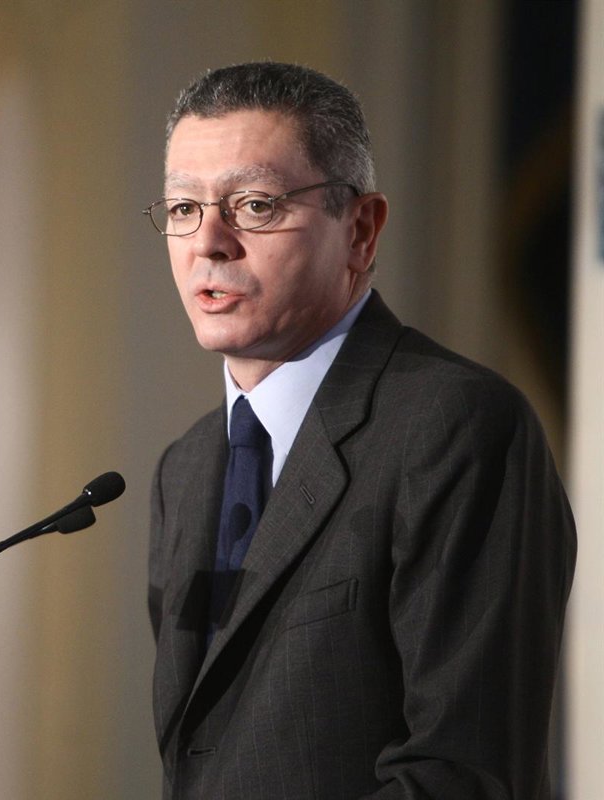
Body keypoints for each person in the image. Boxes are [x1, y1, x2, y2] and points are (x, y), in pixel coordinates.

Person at [145, 62, 576, 799]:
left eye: (255, 205)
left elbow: (461, 773)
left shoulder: (457, 428)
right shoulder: (184, 469)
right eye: (184, 207)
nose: (208, 241)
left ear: (360, 230)